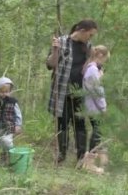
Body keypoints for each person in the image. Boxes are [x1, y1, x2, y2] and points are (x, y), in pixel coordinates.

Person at [46, 19, 98, 163]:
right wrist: (55, 50)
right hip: (62, 90)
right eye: (90, 34)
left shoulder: (88, 46)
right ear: (82, 31)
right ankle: (61, 155)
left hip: (80, 92)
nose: (90, 38)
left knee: (80, 124)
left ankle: (81, 157)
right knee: (62, 123)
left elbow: (86, 69)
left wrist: (91, 58)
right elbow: (51, 64)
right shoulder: (60, 42)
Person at [81, 45, 110, 173]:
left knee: (98, 132)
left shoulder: (92, 70)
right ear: (100, 56)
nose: (104, 62)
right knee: (97, 133)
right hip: (95, 107)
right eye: (105, 59)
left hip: (93, 106)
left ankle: (101, 161)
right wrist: (103, 108)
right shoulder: (92, 70)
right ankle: (89, 163)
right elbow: (96, 91)